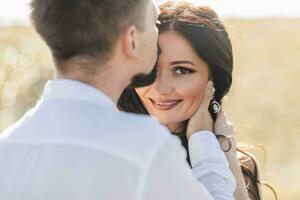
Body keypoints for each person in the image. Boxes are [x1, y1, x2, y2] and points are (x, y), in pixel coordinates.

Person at [0, 0, 235, 200]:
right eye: (153, 23)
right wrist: (205, 142)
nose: (157, 34)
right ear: (132, 40)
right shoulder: (145, 149)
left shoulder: (7, 149)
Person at [118, 1, 262, 200]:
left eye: (181, 70)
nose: (160, 87)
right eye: (151, 68)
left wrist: (225, 150)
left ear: (213, 78)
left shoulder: (242, 164)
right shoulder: (114, 157)